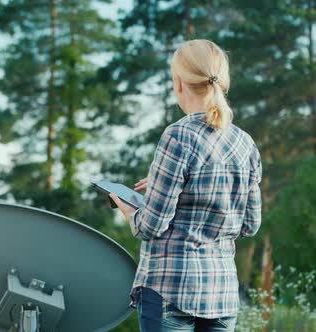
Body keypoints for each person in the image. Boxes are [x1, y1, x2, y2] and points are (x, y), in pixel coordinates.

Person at [109, 39, 262, 332]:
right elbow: (250, 225)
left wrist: (127, 206)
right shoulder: (246, 143)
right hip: (222, 295)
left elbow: (149, 227)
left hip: (171, 291)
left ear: (178, 83)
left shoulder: (178, 136)